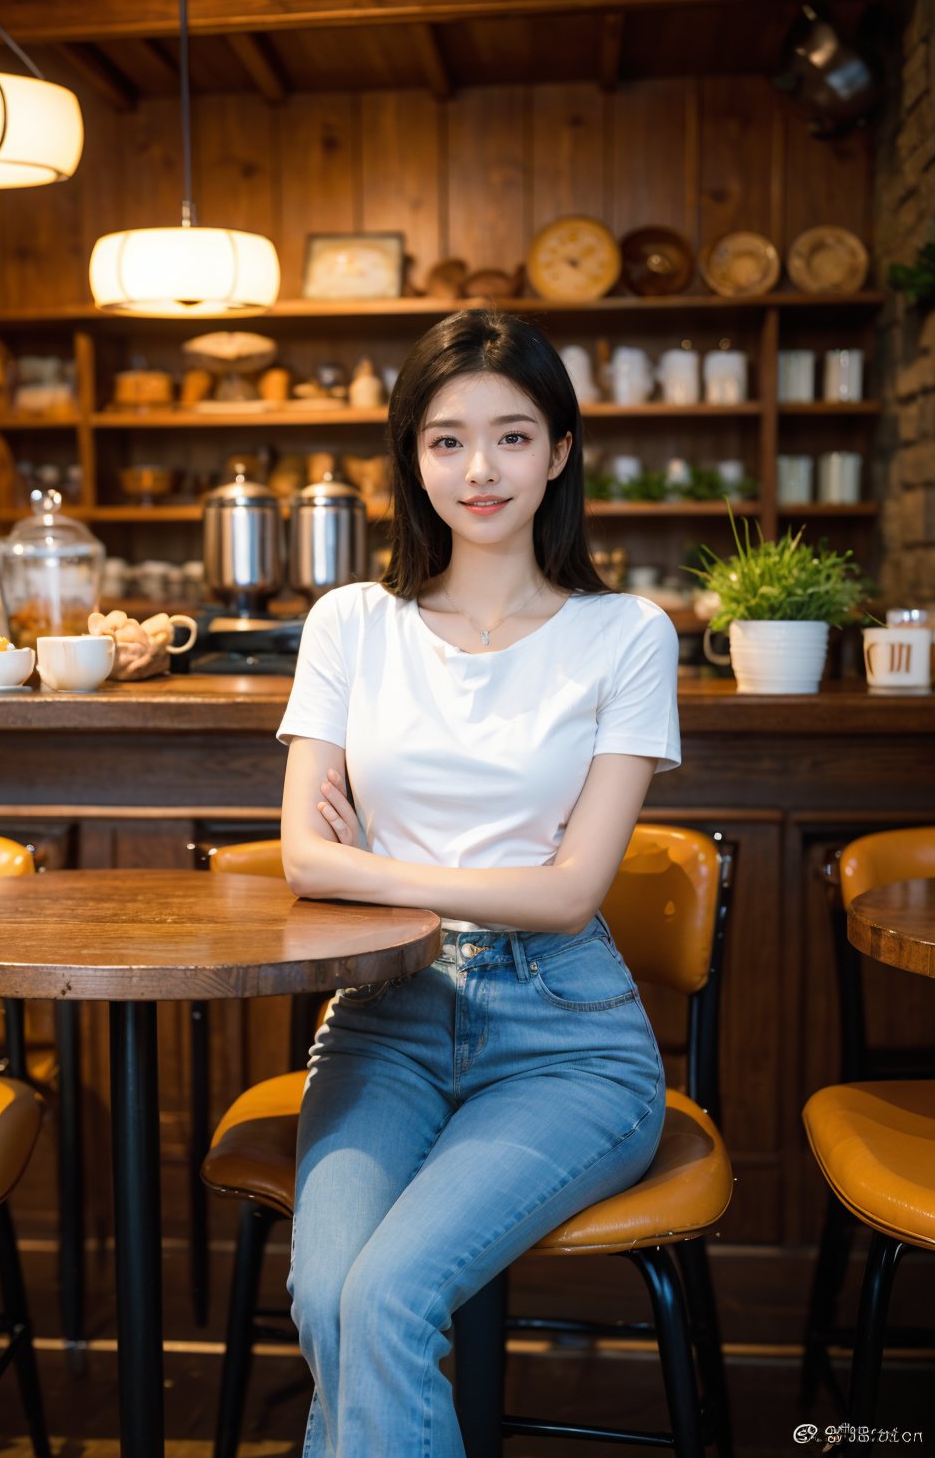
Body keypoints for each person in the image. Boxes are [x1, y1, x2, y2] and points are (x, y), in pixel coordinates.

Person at [276, 307, 680, 1458]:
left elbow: (568, 895)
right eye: (446, 439)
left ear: (558, 451)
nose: (479, 468)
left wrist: (377, 870)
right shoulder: (352, 623)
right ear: (411, 456)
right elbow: (306, 859)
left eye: (511, 436)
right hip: (384, 1019)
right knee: (329, 1298)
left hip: (564, 1036)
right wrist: (371, 873)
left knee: (385, 1300)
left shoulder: (624, 634)